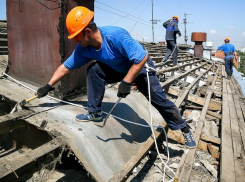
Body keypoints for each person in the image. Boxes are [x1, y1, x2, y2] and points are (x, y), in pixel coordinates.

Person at [36, 6, 196, 148]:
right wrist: (48, 86)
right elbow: (65, 67)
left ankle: (184, 128)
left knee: (159, 101)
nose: (76, 40)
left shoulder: (115, 36)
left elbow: (141, 58)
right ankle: (95, 112)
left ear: (87, 32)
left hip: (140, 68)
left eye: (77, 36)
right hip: (117, 69)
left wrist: (127, 82)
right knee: (94, 69)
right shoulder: (84, 49)